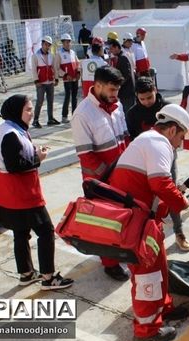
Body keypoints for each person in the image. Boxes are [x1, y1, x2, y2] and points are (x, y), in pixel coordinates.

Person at [108, 104, 189, 341]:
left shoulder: (149, 140)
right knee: (147, 275)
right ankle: (146, 329)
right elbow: (160, 184)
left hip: (143, 218)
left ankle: (163, 308)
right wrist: (182, 203)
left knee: (158, 266)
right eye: (181, 137)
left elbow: (153, 189)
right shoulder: (158, 143)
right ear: (173, 130)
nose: (180, 144)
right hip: (136, 221)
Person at [0, 94, 74, 290]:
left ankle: (26, 273)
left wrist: (34, 153)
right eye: (28, 110)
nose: (31, 113)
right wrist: (39, 159)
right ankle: (48, 277)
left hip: (9, 195)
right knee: (45, 232)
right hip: (22, 195)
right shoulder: (11, 133)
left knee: (21, 233)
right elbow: (14, 165)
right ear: (16, 111)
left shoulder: (9, 128)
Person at [71, 66, 129, 281]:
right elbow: (87, 156)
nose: (116, 94)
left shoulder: (117, 105)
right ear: (97, 85)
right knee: (106, 223)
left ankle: (122, 251)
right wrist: (109, 177)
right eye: (112, 89)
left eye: (117, 90)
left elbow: (125, 137)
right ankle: (110, 264)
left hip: (122, 175)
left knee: (123, 219)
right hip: (101, 181)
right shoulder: (82, 114)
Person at [126, 77, 189, 252]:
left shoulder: (168, 109)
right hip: (145, 160)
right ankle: (145, 234)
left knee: (170, 192)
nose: (147, 102)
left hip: (167, 157)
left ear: (155, 90)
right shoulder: (132, 113)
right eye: (142, 99)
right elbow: (132, 138)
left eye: (149, 97)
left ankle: (179, 232)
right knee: (147, 198)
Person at [31, 36, 59, 128]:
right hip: (41, 82)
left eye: (49, 45)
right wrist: (36, 80)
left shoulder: (51, 55)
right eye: (46, 44)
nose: (47, 47)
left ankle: (50, 118)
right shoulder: (36, 55)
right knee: (40, 101)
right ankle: (35, 120)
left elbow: (54, 67)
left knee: (50, 101)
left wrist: (56, 78)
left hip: (50, 81)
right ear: (42, 44)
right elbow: (34, 69)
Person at [54, 34, 80, 124]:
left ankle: (75, 115)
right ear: (63, 43)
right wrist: (65, 74)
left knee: (75, 97)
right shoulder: (59, 54)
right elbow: (57, 67)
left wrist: (78, 72)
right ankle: (64, 116)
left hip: (75, 79)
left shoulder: (73, 52)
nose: (68, 43)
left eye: (69, 41)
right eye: (66, 42)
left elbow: (78, 63)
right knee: (67, 97)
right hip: (67, 79)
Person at [107, 39, 136, 111]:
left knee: (128, 115)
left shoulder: (123, 57)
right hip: (128, 91)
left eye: (111, 49)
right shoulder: (124, 55)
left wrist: (117, 85)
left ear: (117, 47)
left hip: (127, 92)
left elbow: (126, 75)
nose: (110, 51)